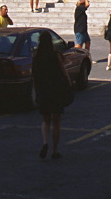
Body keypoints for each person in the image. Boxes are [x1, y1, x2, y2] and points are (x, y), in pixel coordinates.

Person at [32, 29, 73, 159]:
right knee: (56, 121)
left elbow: (34, 75)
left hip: (43, 90)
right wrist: (69, 83)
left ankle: (45, 142)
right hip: (55, 90)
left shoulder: (36, 56)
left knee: (45, 119)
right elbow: (63, 71)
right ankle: (54, 150)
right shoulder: (55, 55)